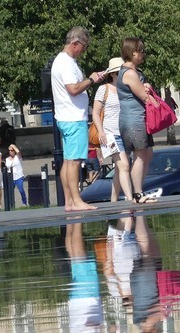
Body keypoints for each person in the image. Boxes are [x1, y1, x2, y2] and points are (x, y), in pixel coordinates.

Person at [51, 27, 107, 211]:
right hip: (73, 117)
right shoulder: (66, 63)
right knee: (74, 161)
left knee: (68, 161)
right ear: (75, 43)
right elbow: (73, 89)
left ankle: (69, 201)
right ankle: (76, 201)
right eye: (83, 47)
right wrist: (91, 80)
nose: (83, 51)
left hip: (66, 117)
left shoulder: (61, 61)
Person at [118, 37, 162, 203]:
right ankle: (137, 194)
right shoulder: (129, 73)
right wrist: (158, 105)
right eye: (141, 51)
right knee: (140, 156)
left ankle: (139, 191)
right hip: (133, 120)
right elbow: (144, 97)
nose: (143, 54)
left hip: (138, 119)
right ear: (133, 52)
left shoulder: (133, 72)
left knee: (147, 154)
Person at [92, 56, 135, 202]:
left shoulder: (127, 88)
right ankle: (130, 198)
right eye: (119, 72)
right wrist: (101, 131)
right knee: (124, 165)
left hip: (124, 132)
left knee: (119, 168)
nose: (122, 74)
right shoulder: (103, 89)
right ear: (112, 74)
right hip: (110, 134)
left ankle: (113, 200)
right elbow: (95, 113)